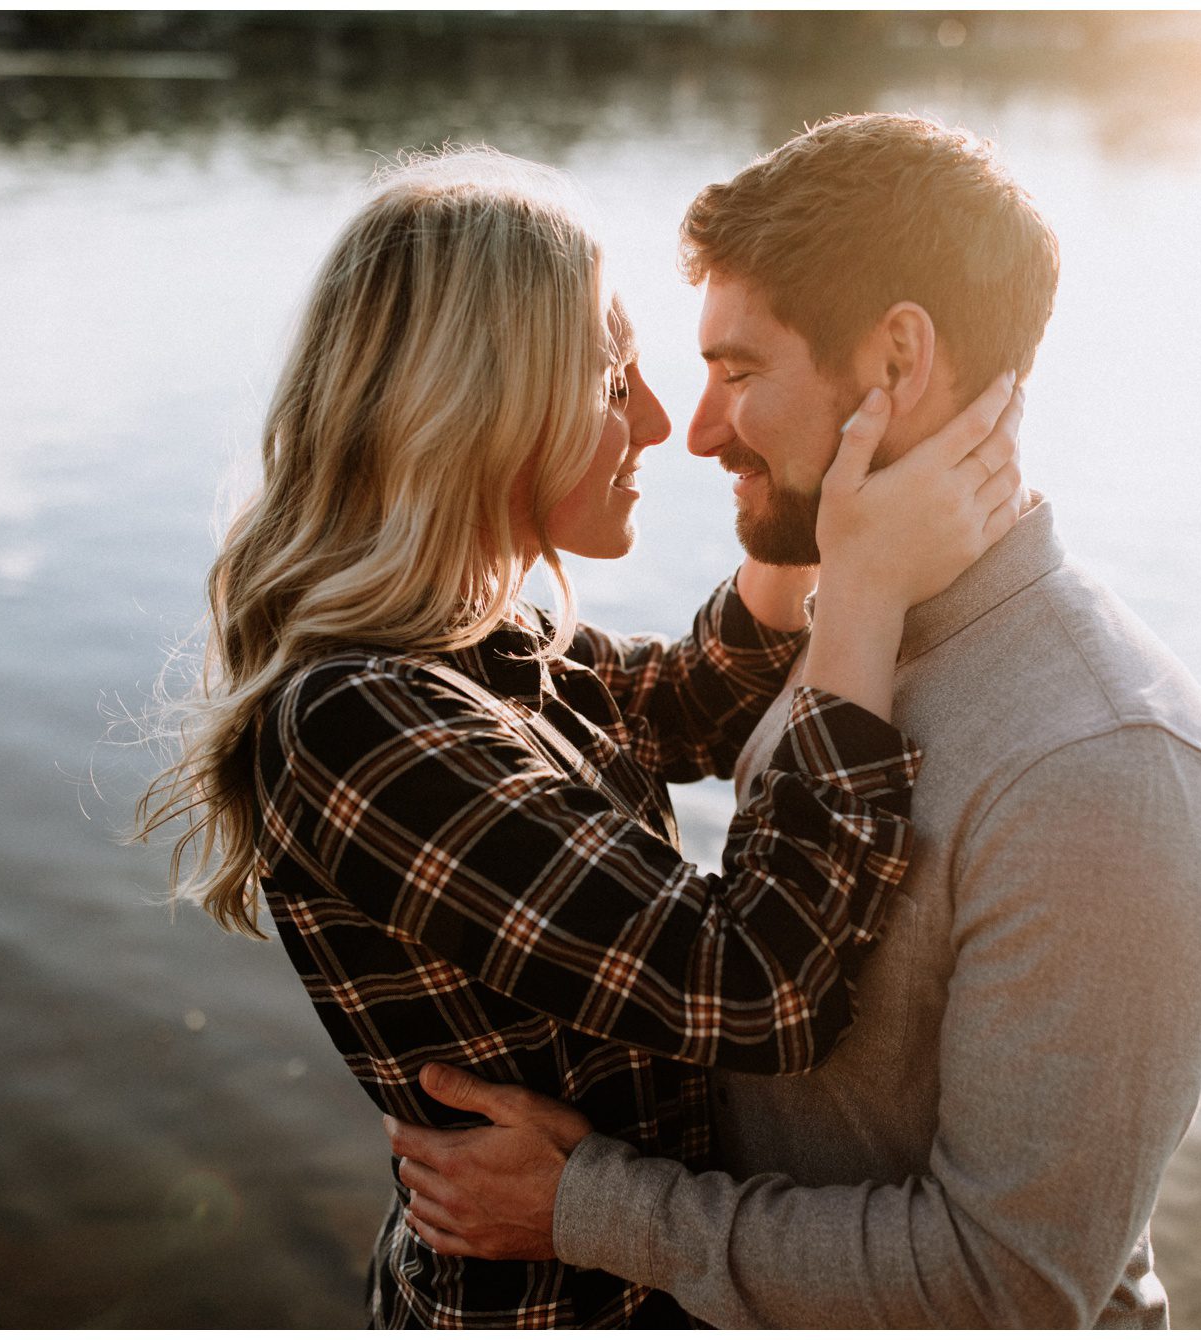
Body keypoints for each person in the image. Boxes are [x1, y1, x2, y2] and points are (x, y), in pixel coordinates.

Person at [384, 114, 1201, 1327]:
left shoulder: (1106, 775)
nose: (694, 431)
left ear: (895, 365)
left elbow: (1007, 1286)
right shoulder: (856, 632)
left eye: (739, 373)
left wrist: (587, 1207)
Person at [133, 146, 1030, 1327]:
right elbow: (757, 985)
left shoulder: (466, 650)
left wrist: (794, 490)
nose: (664, 423)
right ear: (479, 410)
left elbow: (686, 700)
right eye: (613, 384)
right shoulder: (356, 724)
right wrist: (861, 591)